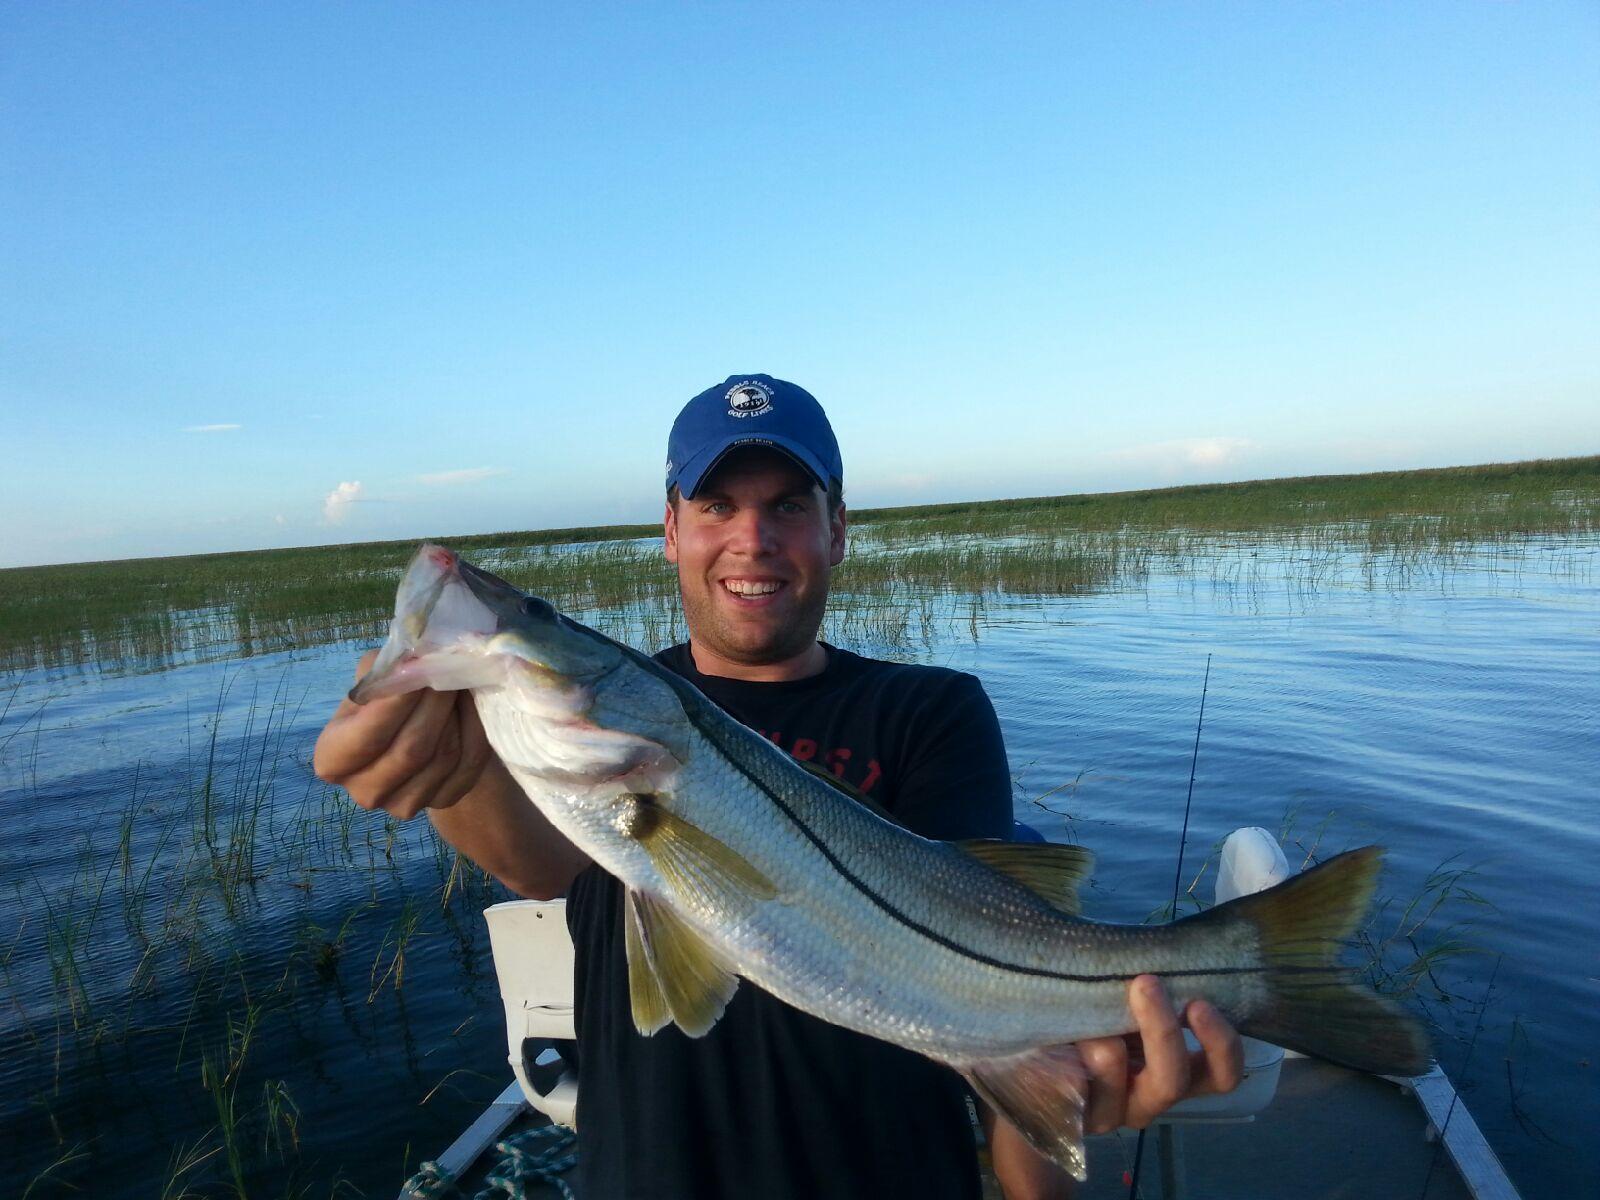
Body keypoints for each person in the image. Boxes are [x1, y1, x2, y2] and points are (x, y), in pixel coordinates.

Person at [314, 375, 1243, 1199]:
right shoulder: (599, 760)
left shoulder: (931, 709)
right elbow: (538, 864)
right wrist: (449, 770)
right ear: (672, 530)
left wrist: (1062, 1107)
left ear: (837, 530)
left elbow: (986, 946)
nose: (751, 539)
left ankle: (1247, 964)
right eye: (716, 505)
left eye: (789, 505)